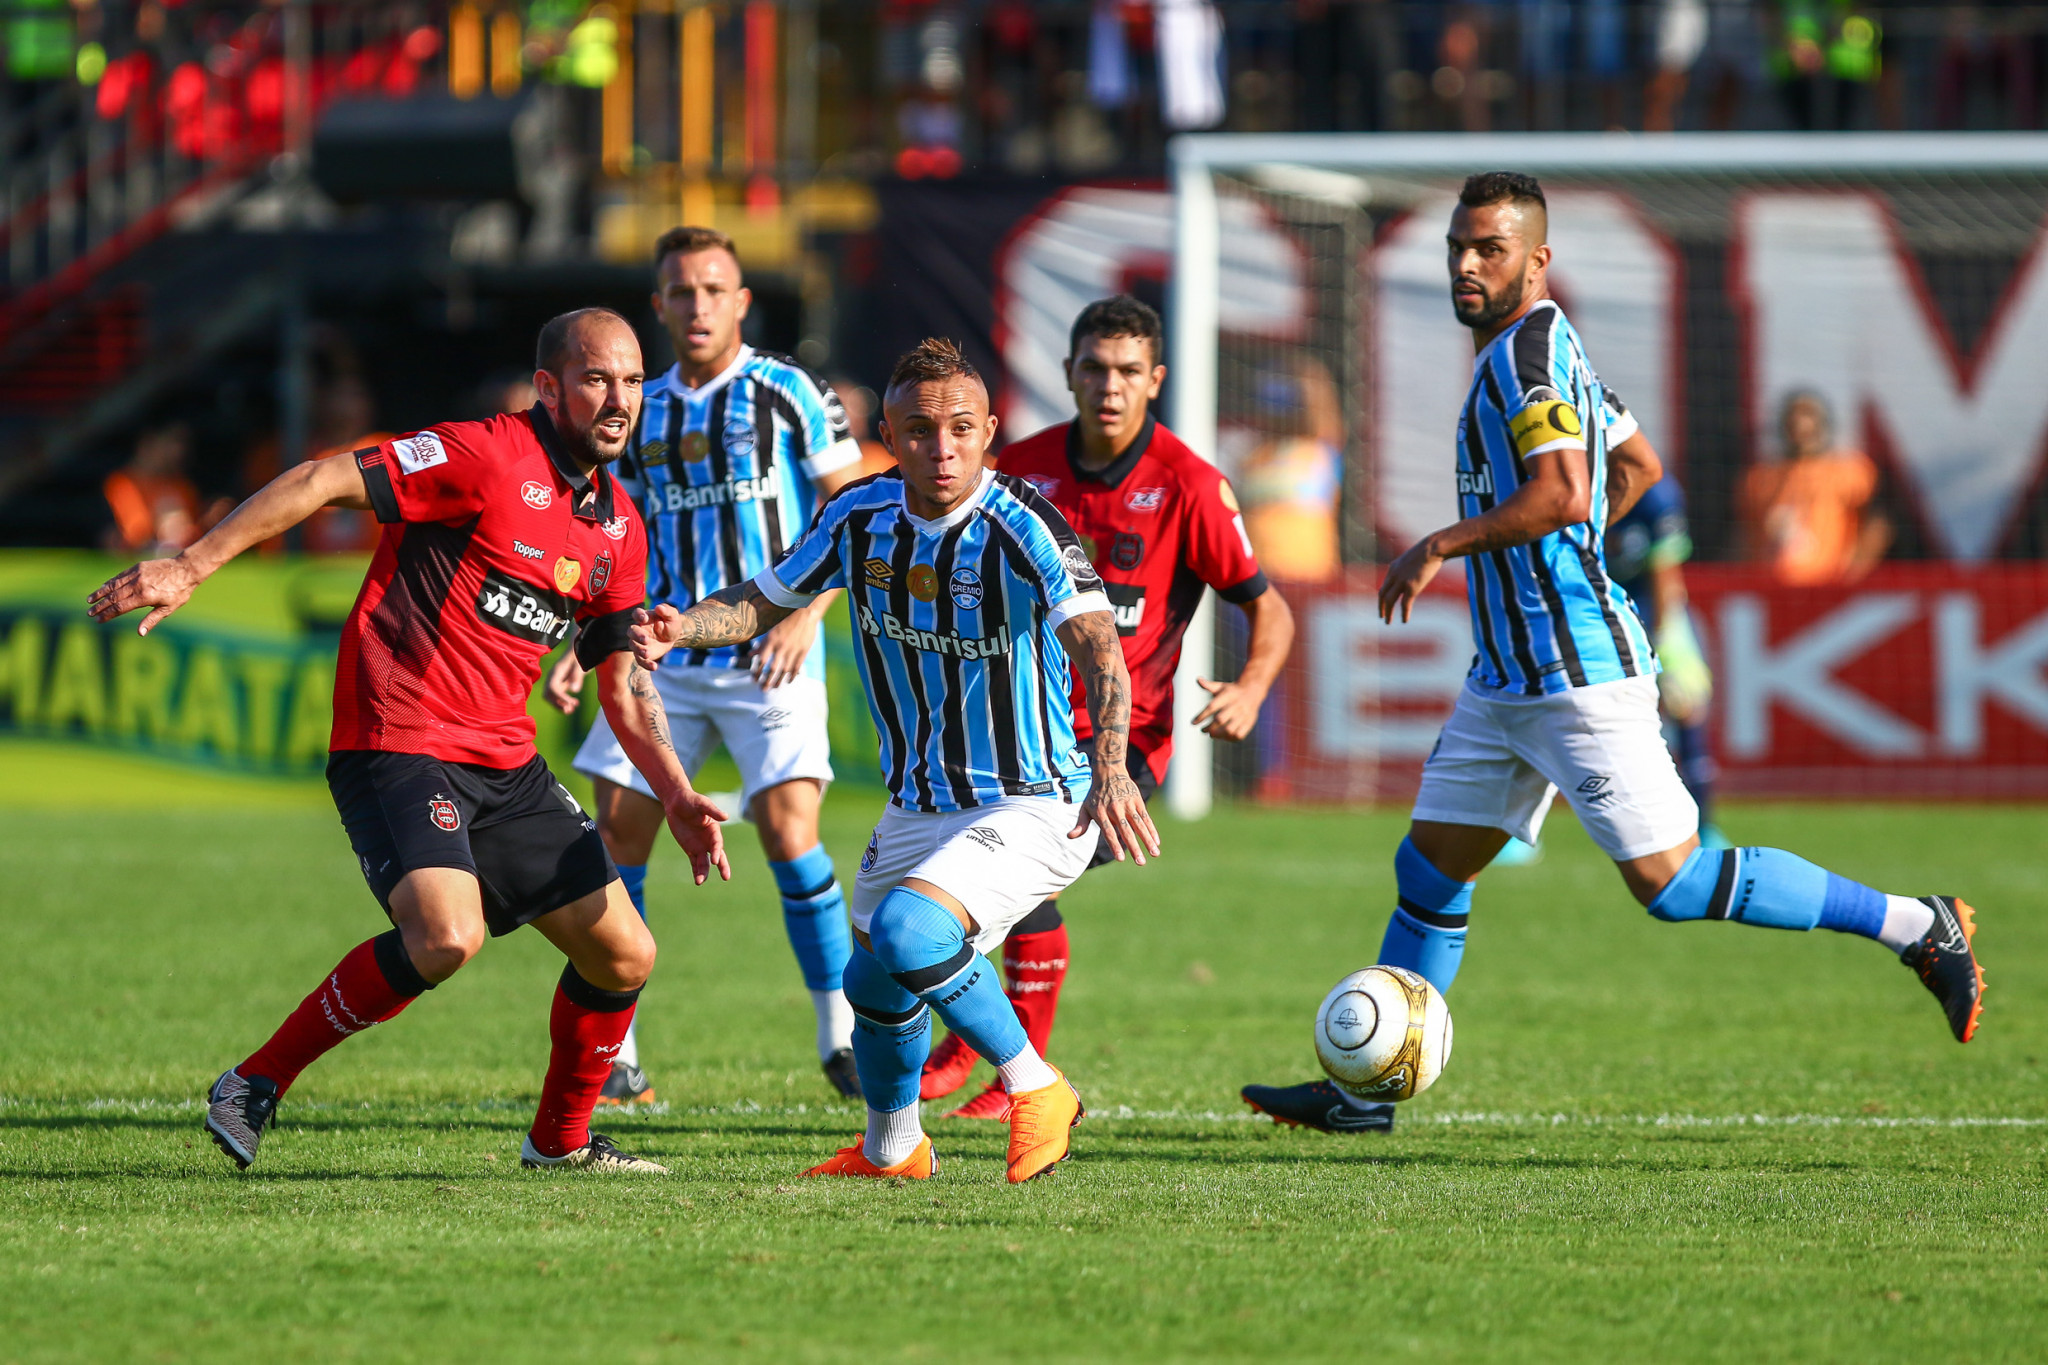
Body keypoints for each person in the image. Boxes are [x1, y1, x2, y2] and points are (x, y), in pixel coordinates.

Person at [1240, 172, 1985, 1136]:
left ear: (1537, 260)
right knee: (1429, 873)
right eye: (1460, 247)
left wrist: (1444, 543)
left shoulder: (1528, 359)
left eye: (1491, 250)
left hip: (1575, 673)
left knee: (1674, 883)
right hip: (1505, 680)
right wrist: (1578, 541)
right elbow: (1637, 467)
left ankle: (1919, 924)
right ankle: (1363, 1098)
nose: (1468, 264)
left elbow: (1561, 491)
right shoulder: (1548, 348)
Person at [88, 308, 729, 1174]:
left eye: (633, 381)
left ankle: (560, 1143)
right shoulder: (483, 454)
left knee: (626, 953)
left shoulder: (618, 525)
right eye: (596, 379)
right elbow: (321, 478)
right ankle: (252, 1082)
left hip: (504, 759)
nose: (619, 399)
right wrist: (192, 563)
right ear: (548, 387)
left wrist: (676, 790)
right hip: (399, 734)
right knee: (446, 935)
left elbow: (620, 680)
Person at [629, 337, 1159, 1183]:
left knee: (912, 932)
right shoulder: (858, 515)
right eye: (919, 430)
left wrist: (1112, 765)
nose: (941, 448)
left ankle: (1037, 1084)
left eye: (960, 428)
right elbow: (764, 599)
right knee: (873, 981)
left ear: (988, 432)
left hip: (1034, 797)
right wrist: (682, 625)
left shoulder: (1022, 523)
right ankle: (893, 1148)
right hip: (919, 803)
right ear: (889, 435)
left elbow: (1100, 647)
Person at [918, 294, 1295, 1119]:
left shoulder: (1190, 485)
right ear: (1069, 373)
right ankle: (987, 1052)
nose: (1110, 386)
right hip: (1009, 732)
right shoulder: (1021, 466)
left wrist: (1253, 685)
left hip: (1119, 751)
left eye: (1128, 371)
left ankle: (1002, 1067)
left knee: (1015, 881)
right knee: (958, 881)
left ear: (1156, 380)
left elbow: (1268, 607)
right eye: (1095, 368)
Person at [542, 227, 867, 1105]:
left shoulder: (790, 392)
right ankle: (619, 1051)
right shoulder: (638, 405)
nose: (697, 306)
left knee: (789, 831)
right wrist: (583, 637)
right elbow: (612, 531)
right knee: (617, 833)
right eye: (681, 291)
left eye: (714, 289)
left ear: (742, 302)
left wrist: (806, 614)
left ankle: (842, 1034)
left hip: (768, 653)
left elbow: (857, 516)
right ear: (659, 304)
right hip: (662, 653)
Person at [1602, 439, 1724, 849]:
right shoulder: (1579, 487)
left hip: (1657, 617)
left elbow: (1665, 573)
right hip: (1598, 617)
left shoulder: (1658, 494)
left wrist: (1660, 640)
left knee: (1686, 705)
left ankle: (1705, 828)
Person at [1741, 389, 1891, 586]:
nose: (1800, 423)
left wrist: (1852, 572)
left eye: (1808, 414)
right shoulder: (1760, 478)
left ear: (1823, 423)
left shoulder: (1850, 472)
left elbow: (1879, 524)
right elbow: (1746, 534)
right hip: (1774, 587)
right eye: (1794, 416)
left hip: (1828, 586)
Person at [103, 421, 230, 556]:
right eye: (172, 441)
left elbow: (192, 536)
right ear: (148, 442)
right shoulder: (123, 483)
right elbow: (132, 537)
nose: (179, 450)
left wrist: (209, 520)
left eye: (183, 443)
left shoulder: (183, 485)